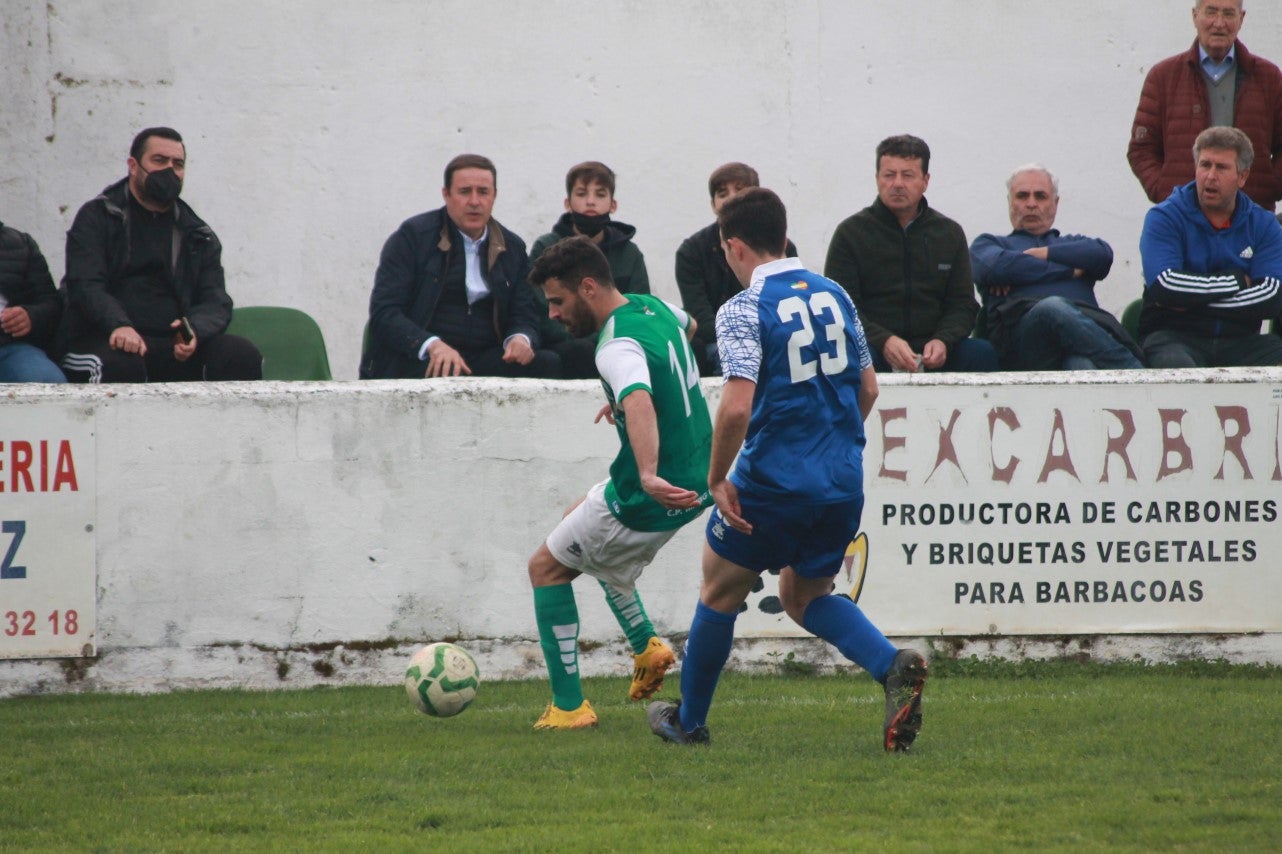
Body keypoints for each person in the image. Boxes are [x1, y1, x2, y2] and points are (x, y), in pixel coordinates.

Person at [647, 188, 927, 752]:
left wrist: (717, 478)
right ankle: (891, 663)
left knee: (719, 591)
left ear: (734, 246)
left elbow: (736, 404)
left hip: (771, 484)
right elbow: (868, 387)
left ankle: (689, 722)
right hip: (841, 483)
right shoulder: (836, 294)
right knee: (804, 595)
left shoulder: (743, 308)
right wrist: (835, 443)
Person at [525, 236, 712, 730]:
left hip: (652, 493)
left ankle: (569, 708)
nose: (554, 315)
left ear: (587, 288)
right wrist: (635, 398)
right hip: (702, 477)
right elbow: (690, 328)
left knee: (546, 567)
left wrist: (648, 471)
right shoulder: (654, 308)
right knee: (579, 528)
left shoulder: (615, 345)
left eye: (558, 301)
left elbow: (640, 397)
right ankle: (646, 646)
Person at [61, 127, 262, 383]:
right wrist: (118, 325)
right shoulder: (97, 217)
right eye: (159, 160)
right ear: (133, 166)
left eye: (177, 164)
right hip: (104, 338)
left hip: (172, 347)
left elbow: (217, 301)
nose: (169, 170)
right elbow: (85, 285)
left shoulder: (198, 233)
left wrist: (193, 332)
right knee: (123, 366)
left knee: (239, 355)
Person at [361, 154, 560, 380]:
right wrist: (432, 345)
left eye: (483, 192)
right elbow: (384, 313)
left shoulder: (512, 248)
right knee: (440, 372)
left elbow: (524, 313)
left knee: (547, 363)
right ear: (446, 195)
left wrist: (520, 338)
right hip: (421, 359)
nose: (474, 201)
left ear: (494, 196)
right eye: (465, 191)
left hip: (484, 357)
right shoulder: (413, 238)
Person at [824, 135, 996, 373]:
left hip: (934, 353)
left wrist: (943, 340)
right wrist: (884, 340)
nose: (897, 184)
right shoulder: (850, 234)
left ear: (925, 181)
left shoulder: (949, 233)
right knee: (851, 356)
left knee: (981, 353)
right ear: (877, 179)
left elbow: (963, 304)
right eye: (889, 175)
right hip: (875, 351)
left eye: (907, 175)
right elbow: (839, 307)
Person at [970, 165, 1144, 371]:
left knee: (1081, 365)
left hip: (1081, 345)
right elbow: (994, 268)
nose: (1031, 204)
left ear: (1055, 203)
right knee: (1052, 307)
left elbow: (1102, 255)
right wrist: (1069, 271)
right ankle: (1136, 373)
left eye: (1041, 196)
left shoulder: (1073, 242)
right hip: (1024, 346)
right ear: (1009, 201)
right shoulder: (989, 244)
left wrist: (1044, 254)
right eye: (1022, 196)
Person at [1139, 126, 1282, 367]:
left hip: (1241, 341)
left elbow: (1272, 295)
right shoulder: (1164, 217)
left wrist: (1192, 304)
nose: (1210, 176)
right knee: (1177, 368)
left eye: (1222, 167)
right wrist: (1237, 281)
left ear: (1243, 176)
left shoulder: (1264, 224)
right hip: (1173, 339)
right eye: (1205, 165)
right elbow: (1164, 285)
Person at [1128, 0, 1282, 211]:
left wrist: (1268, 187)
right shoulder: (1163, 77)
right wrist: (1165, 192)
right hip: (1183, 222)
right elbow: (1141, 149)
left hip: (1250, 221)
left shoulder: (1269, 78)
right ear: (1195, 15)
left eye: (1228, 14)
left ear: (1241, 19)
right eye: (1211, 12)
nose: (1219, 23)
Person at [528, 161, 650, 379]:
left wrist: (606, 338)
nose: (590, 201)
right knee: (577, 353)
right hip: (565, 344)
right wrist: (583, 339)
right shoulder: (545, 248)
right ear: (568, 202)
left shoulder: (630, 254)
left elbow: (639, 306)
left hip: (618, 340)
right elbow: (540, 310)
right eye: (582, 193)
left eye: (600, 194)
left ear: (613, 204)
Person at [675, 162, 797, 377]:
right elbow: (701, 319)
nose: (730, 199)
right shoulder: (691, 252)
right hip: (720, 341)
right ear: (713, 204)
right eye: (723, 193)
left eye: (740, 191)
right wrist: (744, 338)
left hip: (776, 335)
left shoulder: (780, 245)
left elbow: (790, 302)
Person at [0, 221, 66, 382]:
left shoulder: (20, 244)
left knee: (50, 384)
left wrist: (31, 317)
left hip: (9, 348)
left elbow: (51, 303)